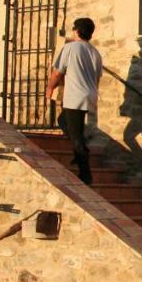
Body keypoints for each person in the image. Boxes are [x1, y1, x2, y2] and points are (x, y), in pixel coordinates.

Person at [45, 16, 103, 185]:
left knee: (76, 134)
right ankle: (79, 154)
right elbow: (97, 77)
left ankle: (85, 173)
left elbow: (57, 72)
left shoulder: (70, 48)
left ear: (76, 30)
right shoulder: (95, 53)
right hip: (90, 94)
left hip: (75, 96)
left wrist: (50, 88)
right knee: (63, 120)